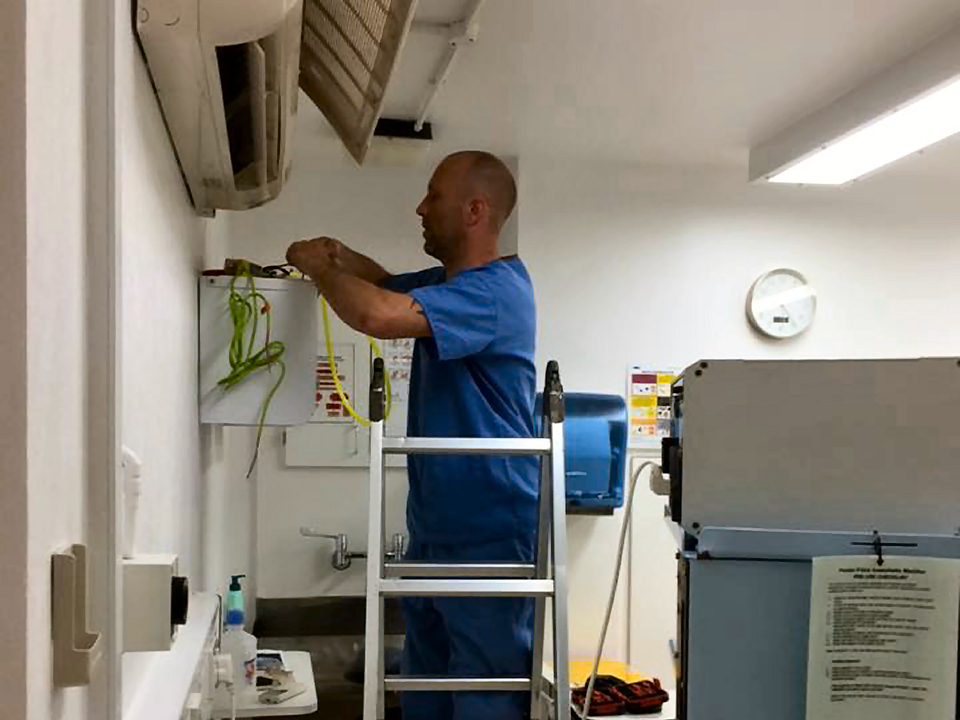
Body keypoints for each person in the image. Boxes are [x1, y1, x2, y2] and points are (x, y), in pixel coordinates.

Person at [286, 150, 538, 720]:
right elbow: (383, 285)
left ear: (475, 211)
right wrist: (339, 256)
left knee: (485, 689)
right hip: (437, 524)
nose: (420, 209)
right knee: (427, 683)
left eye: (434, 196)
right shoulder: (449, 284)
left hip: (490, 526)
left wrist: (320, 270)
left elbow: (377, 314)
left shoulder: (494, 291)